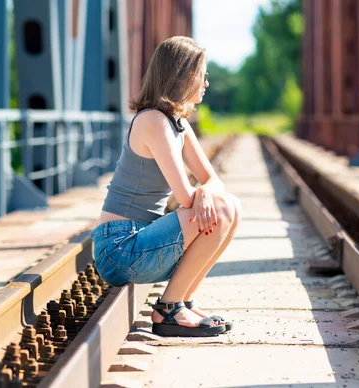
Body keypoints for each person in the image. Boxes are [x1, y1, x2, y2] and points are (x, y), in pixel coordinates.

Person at [90, 36, 242, 337]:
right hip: (119, 247)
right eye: (202, 75)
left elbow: (214, 180)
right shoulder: (152, 121)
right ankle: (169, 309)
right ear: (182, 76)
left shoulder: (178, 125)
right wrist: (203, 194)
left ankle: (181, 300)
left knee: (232, 206)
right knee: (222, 208)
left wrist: (207, 191)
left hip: (144, 241)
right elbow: (186, 197)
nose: (206, 83)